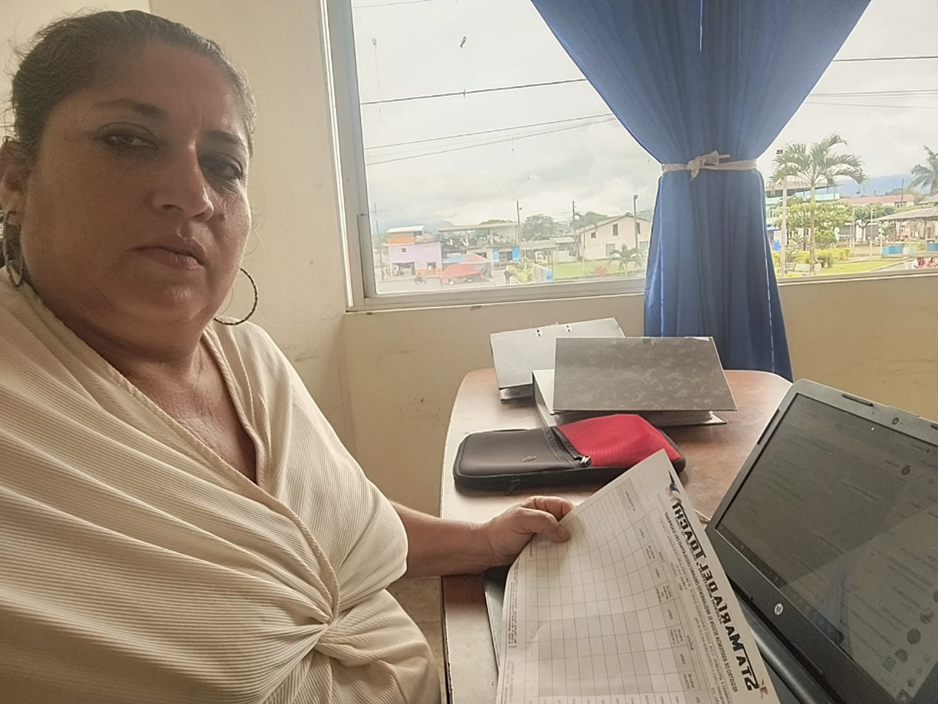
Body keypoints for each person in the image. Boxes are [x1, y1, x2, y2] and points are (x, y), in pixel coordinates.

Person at [0, 11, 573, 704]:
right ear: (15, 179)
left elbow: (329, 530)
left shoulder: (250, 359)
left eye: (223, 166)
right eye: (128, 140)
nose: (192, 195)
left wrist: (480, 542)